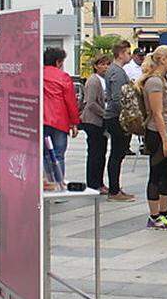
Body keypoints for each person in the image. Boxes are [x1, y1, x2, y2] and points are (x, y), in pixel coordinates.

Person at [140, 45, 167, 230]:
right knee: (157, 173)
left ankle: (164, 211)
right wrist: (165, 140)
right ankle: (154, 215)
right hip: (156, 132)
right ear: (162, 59)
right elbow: (157, 113)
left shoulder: (163, 80)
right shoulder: (154, 82)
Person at [103, 40, 136, 202]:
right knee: (117, 153)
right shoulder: (116, 72)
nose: (129, 55)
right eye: (128, 53)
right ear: (121, 53)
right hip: (116, 117)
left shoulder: (116, 70)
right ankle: (114, 190)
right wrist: (126, 115)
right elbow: (117, 98)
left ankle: (115, 188)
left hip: (115, 116)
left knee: (118, 154)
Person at [42, 47, 80, 184]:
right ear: (58, 62)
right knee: (58, 154)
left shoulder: (37, 74)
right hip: (60, 120)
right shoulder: (63, 77)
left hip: (41, 120)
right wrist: (74, 122)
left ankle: (48, 182)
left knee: (45, 154)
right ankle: (59, 183)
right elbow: (70, 102)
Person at [80, 54, 111, 194]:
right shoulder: (93, 81)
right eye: (102, 64)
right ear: (95, 66)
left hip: (101, 122)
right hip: (93, 121)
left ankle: (99, 182)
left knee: (101, 153)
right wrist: (105, 114)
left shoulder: (104, 80)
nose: (105, 67)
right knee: (95, 153)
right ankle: (93, 183)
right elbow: (90, 103)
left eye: (107, 64)